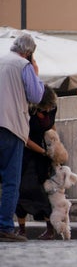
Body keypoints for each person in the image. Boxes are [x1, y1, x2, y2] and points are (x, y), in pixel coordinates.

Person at [0, 33, 44, 242]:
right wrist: (35, 73)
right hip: (11, 126)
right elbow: (36, 96)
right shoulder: (23, 66)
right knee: (11, 180)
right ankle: (5, 227)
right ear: (28, 53)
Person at [15, 85, 58, 239]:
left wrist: (54, 147)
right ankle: (21, 228)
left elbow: (52, 128)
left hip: (43, 154)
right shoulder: (28, 112)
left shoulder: (51, 108)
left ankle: (50, 228)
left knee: (42, 189)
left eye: (48, 109)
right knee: (22, 189)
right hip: (27, 152)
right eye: (43, 109)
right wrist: (42, 151)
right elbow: (25, 138)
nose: (46, 112)